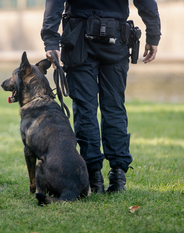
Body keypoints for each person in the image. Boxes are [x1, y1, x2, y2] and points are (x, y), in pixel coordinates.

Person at [41, 0, 161, 194]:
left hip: (79, 38)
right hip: (116, 38)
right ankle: (118, 176)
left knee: (85, 108)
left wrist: (51, 41)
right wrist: (153, 35)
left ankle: (94, 178)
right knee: (114, 107)